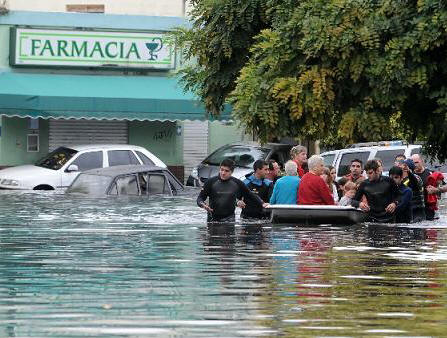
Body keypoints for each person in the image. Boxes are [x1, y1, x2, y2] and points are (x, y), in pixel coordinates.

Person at [197, 158, 268, 222]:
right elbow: (200, 198)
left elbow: (250, 194)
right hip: (212, 219)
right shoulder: (211, 182)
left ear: (232, 172)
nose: (223, 173)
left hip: (229, 219)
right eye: (221, 169)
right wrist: (203, 205)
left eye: (226, 171)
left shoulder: (237, 183)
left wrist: (262, 203)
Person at [412, 154, 447, 220]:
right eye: (413, 163)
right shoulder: (410, 176)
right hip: (415, 212)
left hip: (431, 211)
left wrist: (437, 190)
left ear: (422, 161)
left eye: (416, 162)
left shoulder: (432, 174)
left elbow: (445, 186)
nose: (415, 165)